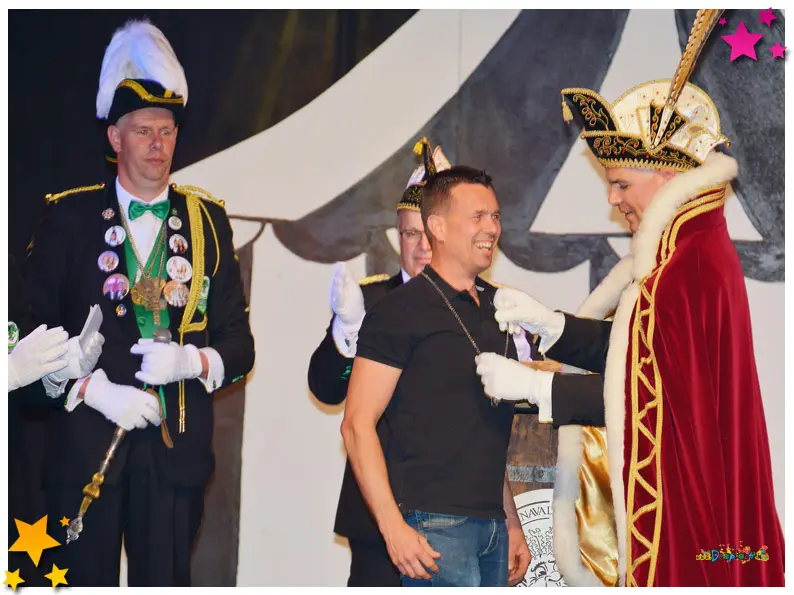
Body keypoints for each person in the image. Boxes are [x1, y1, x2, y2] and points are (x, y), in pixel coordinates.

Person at [473, 10, 784, 587]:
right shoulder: (684, 251)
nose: (614, 200)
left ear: (664, 178)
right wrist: (553, 326)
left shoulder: (685, 265)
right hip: (702, 506)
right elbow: (643, 356)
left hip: (692, 521)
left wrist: (538, 388)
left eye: (621, 183)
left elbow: (651, 396)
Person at [23, 19, 255, 586]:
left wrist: (192, 361)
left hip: (175, 452)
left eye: (167, 131)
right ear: (115, 138)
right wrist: (91, 390)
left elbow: (239, 345)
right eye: (144, 130)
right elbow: (26, 336)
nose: (158, 144)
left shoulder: (207, 221)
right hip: (86, 448)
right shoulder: (69, 219)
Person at [340, 166, 531, 587]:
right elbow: (356, 425)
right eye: (477, 216)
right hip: (433, 526)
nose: (491, 228)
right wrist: (393, 528)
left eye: (495, 216)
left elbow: (483, 428)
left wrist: (512, 521)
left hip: (492, 527)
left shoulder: (499, 310)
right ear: (437, 227)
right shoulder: (399, 310)